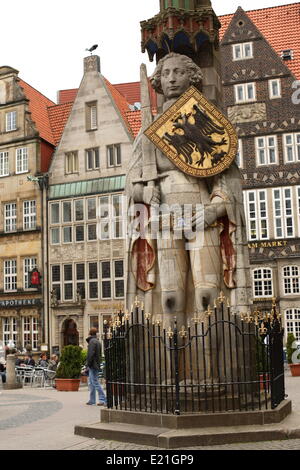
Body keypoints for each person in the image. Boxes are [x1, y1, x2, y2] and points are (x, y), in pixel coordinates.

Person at [126, 52, 250, 329]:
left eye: (178, 72)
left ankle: (209, 369)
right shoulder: (149, 131)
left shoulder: (205, 120)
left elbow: (226, 178)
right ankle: (169, 368)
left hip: (201, 212)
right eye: (166, 73)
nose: (171, 78)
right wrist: (143, 193)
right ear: (158, 81)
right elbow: (132, 180)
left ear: (192, 77)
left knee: (207, 294)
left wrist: (215, 208)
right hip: (166, 216)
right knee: (170, 298)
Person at [86, 328, 106, 406]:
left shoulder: (92, 342)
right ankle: (92, 400)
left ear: (90, 333)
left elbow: (90, 354)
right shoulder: (97, 341)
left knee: (95, 382)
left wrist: (88, 364)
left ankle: (103, 399)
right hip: (96, 364)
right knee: (91, 383)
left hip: (93, 365)